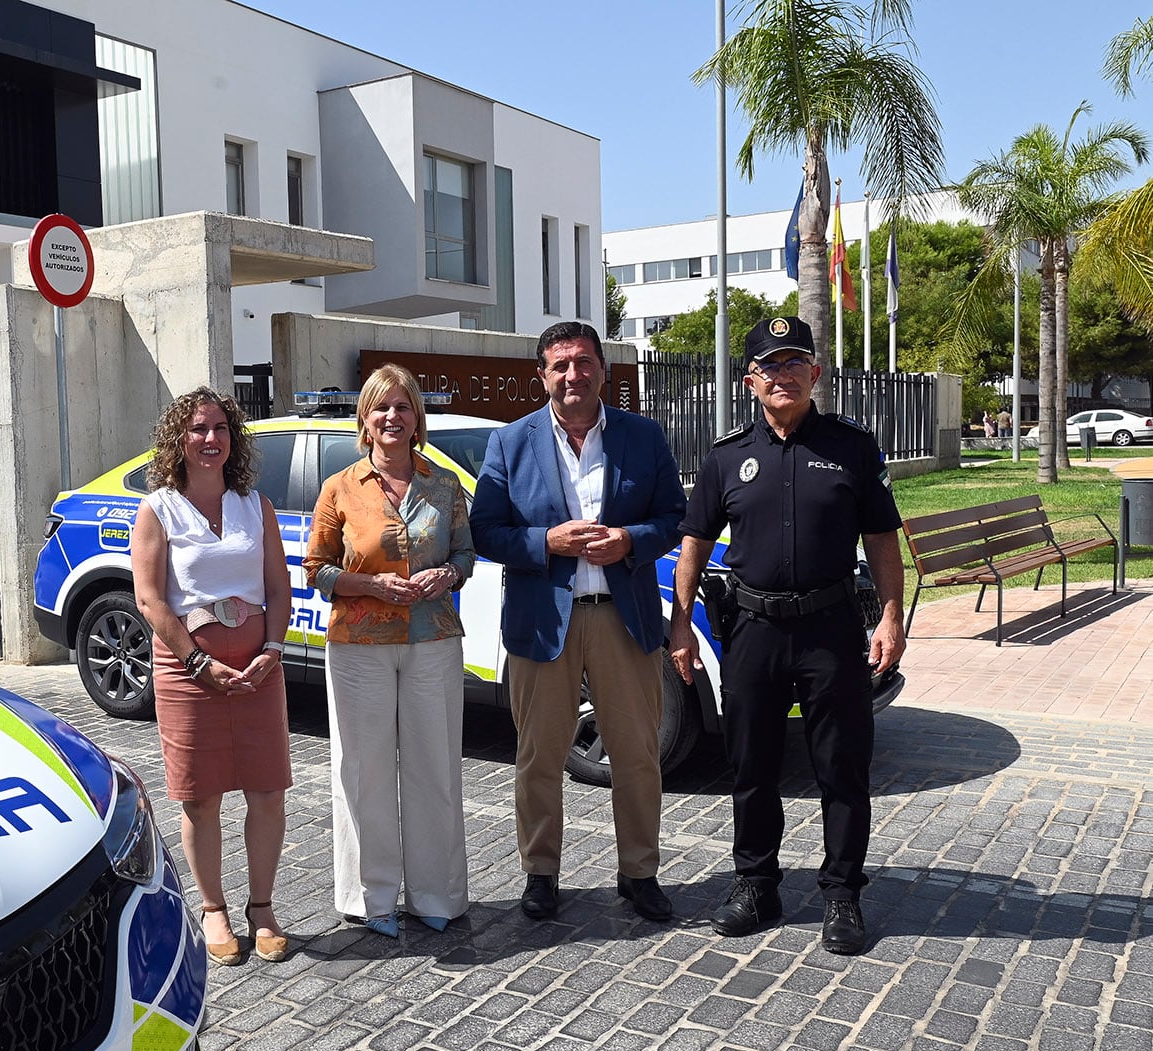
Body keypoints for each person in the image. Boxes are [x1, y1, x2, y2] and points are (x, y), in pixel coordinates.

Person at [668, 314, 906, 956]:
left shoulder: (854, 448)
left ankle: (842, 895)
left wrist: (890, 615)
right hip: (753, 631)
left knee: (842, 765)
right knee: (752, 765)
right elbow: (693, 543)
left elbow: (883, 538)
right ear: (750, 381)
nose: (784, 376)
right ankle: (756, 884)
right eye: (771, 366)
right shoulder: (726, 458)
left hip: (831, 629)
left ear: (815, 374)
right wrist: (681, 623)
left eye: (795, 363)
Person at [470, 321, 687, 923]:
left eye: (584, 362)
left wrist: (630, 540)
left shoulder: (643, 437)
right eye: (560, 364)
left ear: (602, 370)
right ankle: (541, 873)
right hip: (545, 623)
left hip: (625, 619)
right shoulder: (511, 444)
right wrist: (547, 541)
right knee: (539, 757)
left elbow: (676, 516)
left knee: (637, 754)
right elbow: (485, 531)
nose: (573, 375)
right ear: (542, 374)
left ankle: (639, 872)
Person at [302, 364, 475, 937]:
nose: (392, 417)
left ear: (417, 418)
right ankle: (370, 899)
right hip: (358, 647)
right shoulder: (340, 487)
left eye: (403, 406)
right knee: (364, 771)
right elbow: (317, 571)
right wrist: (371, 585)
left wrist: (447, 575)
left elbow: (467, 557)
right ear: (365, 420)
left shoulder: (444, 485)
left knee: (435, 769)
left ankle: (437, 896)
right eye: (381, 408)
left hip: (433, 641)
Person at [131, 387, 293, 966]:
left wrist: (272, 649)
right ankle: (213, 907)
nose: (210, 439)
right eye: (198, 428)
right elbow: (150, 600)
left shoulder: (256, 504)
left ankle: (263, 908)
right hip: (188, 674)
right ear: (179, 438)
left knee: (267, 792)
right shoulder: (159, 508)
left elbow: (278, 586)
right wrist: (199, 662)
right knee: (200, 799)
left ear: (234, 438)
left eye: (220, 428)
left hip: (256, 673)